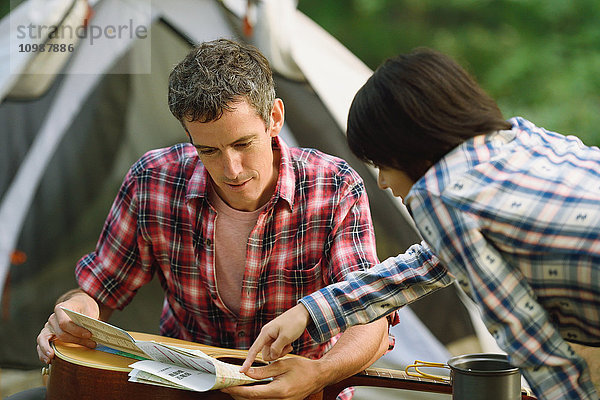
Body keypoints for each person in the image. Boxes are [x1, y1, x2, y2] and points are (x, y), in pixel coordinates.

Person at [32, 38, 392, 400]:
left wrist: (319, 374)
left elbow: (370, 313)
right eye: (209, 150)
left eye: (243, 143)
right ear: (189, 137)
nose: (231, 169)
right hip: (183, 390)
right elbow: (99, 291)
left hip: (304, 391)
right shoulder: (152, 180)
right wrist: (74, 311)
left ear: (275, 119)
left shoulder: (334, 187)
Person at [241, 48, 600, 400]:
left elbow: (525, 333)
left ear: (405, 147)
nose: (381, 181)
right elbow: (428, 265)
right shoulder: (520, 139)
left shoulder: (440, 195)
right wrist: (309, 311)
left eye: (380, 164)